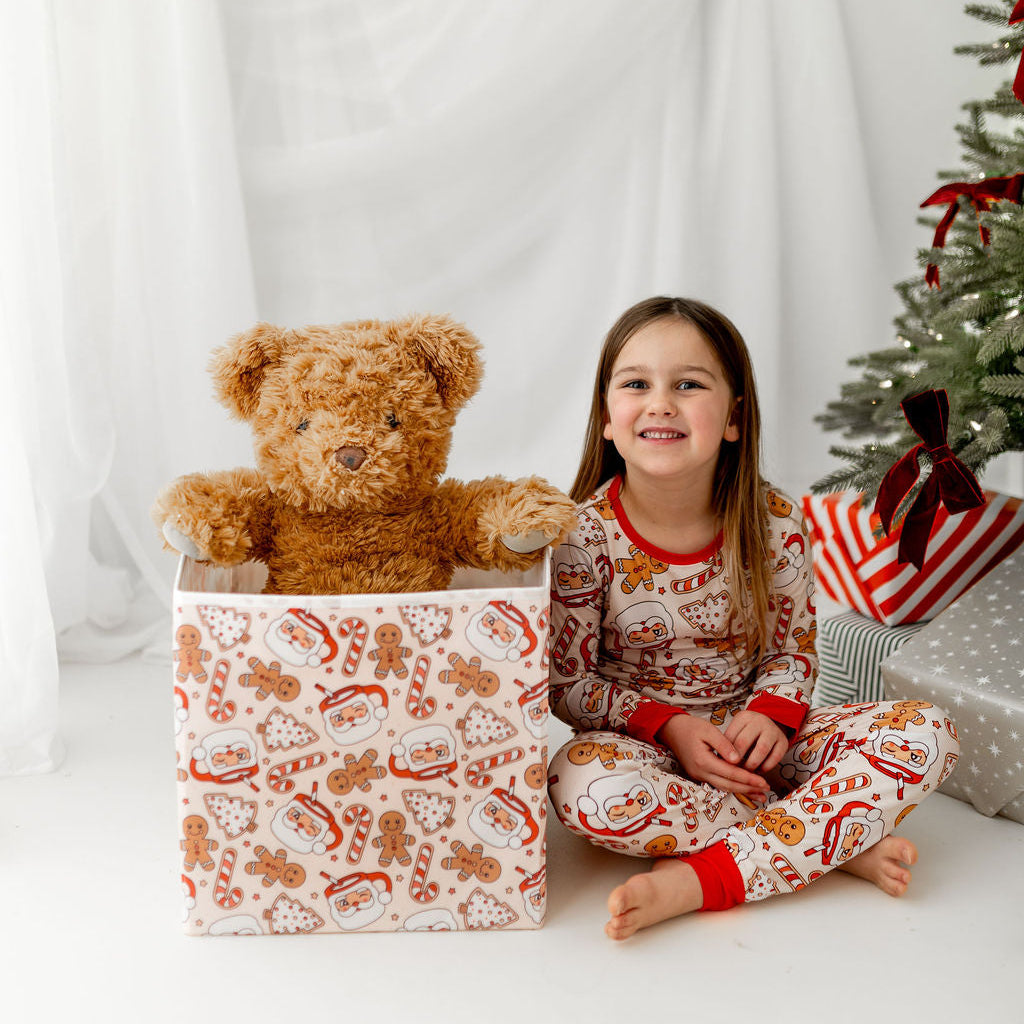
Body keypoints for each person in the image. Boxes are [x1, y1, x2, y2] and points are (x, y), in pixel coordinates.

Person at [547, 296, 959, 940]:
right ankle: (830, 846)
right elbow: (566, 685)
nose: (660, 403)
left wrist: (770, 712)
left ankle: (697, 880)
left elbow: (794, 653)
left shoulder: (774, 520)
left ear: (734, 418)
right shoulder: (582, 535)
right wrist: (672, 728)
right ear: (607, 417)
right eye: (636, 384)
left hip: (756, 747)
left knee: (927, 731)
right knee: (581, 787)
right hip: (643, 749)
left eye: (688, 384)